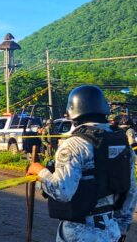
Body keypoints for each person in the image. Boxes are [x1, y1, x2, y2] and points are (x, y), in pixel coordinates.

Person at [27, 85, 137, 242]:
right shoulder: (121, 143)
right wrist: (121, 228)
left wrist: (40, 172)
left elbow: (62, 191)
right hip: (111, 231)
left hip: (80, 233)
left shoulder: (74, 144)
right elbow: (131, 192)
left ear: (73, 110)